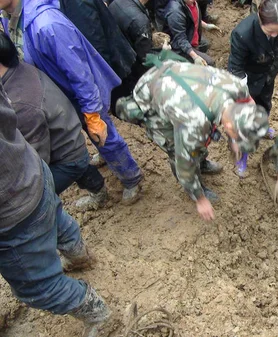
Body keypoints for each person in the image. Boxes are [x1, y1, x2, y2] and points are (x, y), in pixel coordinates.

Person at [0, 0, 144, 205]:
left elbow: (80, 73)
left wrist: (92, 113)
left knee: (103, 134)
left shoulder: (47, 25)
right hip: (55, 97)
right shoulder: (10, 20)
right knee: (83, 142)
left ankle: (132, 178)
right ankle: (104, 171)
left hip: (75, 93)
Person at [0, 83, 110, 337]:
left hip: (11, 209)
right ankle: (78, 254)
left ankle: (96, 312)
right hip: (28, 167)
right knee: (56, 218)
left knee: (37, 287)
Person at [116, 52, 269, 221]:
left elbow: (249, 102)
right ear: (229, 126)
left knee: (198, 141)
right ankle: (197, 188)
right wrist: (200, 199)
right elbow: (185, 163)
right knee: (176, 147)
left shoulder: (236, 87)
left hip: (178, 80)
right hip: (152, 94)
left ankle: (202, 164)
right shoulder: (193, 122)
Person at [0, 33, 107, 210]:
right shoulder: (19, 69)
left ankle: (55, 221)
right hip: (69, 138)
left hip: (67, 153)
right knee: (77, 164)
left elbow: (35, 162)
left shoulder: (19, 103)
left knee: (29, 197)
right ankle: (97, 188)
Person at [228, 0, 278, 177]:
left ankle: (262, 128)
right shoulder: (242, 34)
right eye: (271, 32)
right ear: (260, 20)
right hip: (247, 80)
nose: (276, 35)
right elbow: (236, 70)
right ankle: (241, 157)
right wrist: (247, 99)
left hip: (268, 73)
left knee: (265, 105)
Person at [165, 0, 221, 65]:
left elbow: (192, 18)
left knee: (205, 44)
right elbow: (181, 39)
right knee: (210, 63)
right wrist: (195, 57)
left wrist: (206, 26)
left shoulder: (192, 2)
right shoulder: (175, 12)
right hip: (177, 47)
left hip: (189, 36)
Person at [109, 0, 154, 64]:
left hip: (116, 53)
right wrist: (164, 51)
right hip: (132, 64)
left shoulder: (116, 2)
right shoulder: (141, 22)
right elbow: (146, 58)